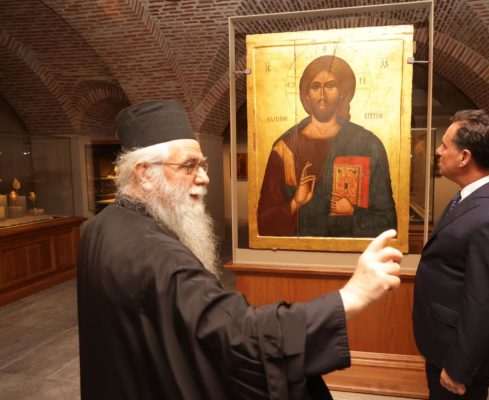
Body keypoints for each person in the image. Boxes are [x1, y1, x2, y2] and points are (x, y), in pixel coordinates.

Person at [77, 100, 403, 400]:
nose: (204, 178)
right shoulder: (160, 258)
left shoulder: (99, 227)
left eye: (202, 165)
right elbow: (240, 336)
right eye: (189, 166)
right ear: (144, 173)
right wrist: (351, 297)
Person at [412, 110, 489, 400]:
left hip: (457, 352)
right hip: (443, 340)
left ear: (464, 157)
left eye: (444, 145)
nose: (438, 151)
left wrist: (458, 368)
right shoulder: (473, 195)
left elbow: (485, 302)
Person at [257, 55, 397, 237]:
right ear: (306, 95)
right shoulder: (285, 148)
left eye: (330, 86)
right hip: (299, 250)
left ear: (343, 93)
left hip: (350, 251)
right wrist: (295, 203)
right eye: (315, 87)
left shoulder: (368, 144)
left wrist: (353, 212)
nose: (322, 96)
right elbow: (264, 223)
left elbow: (388, 222)